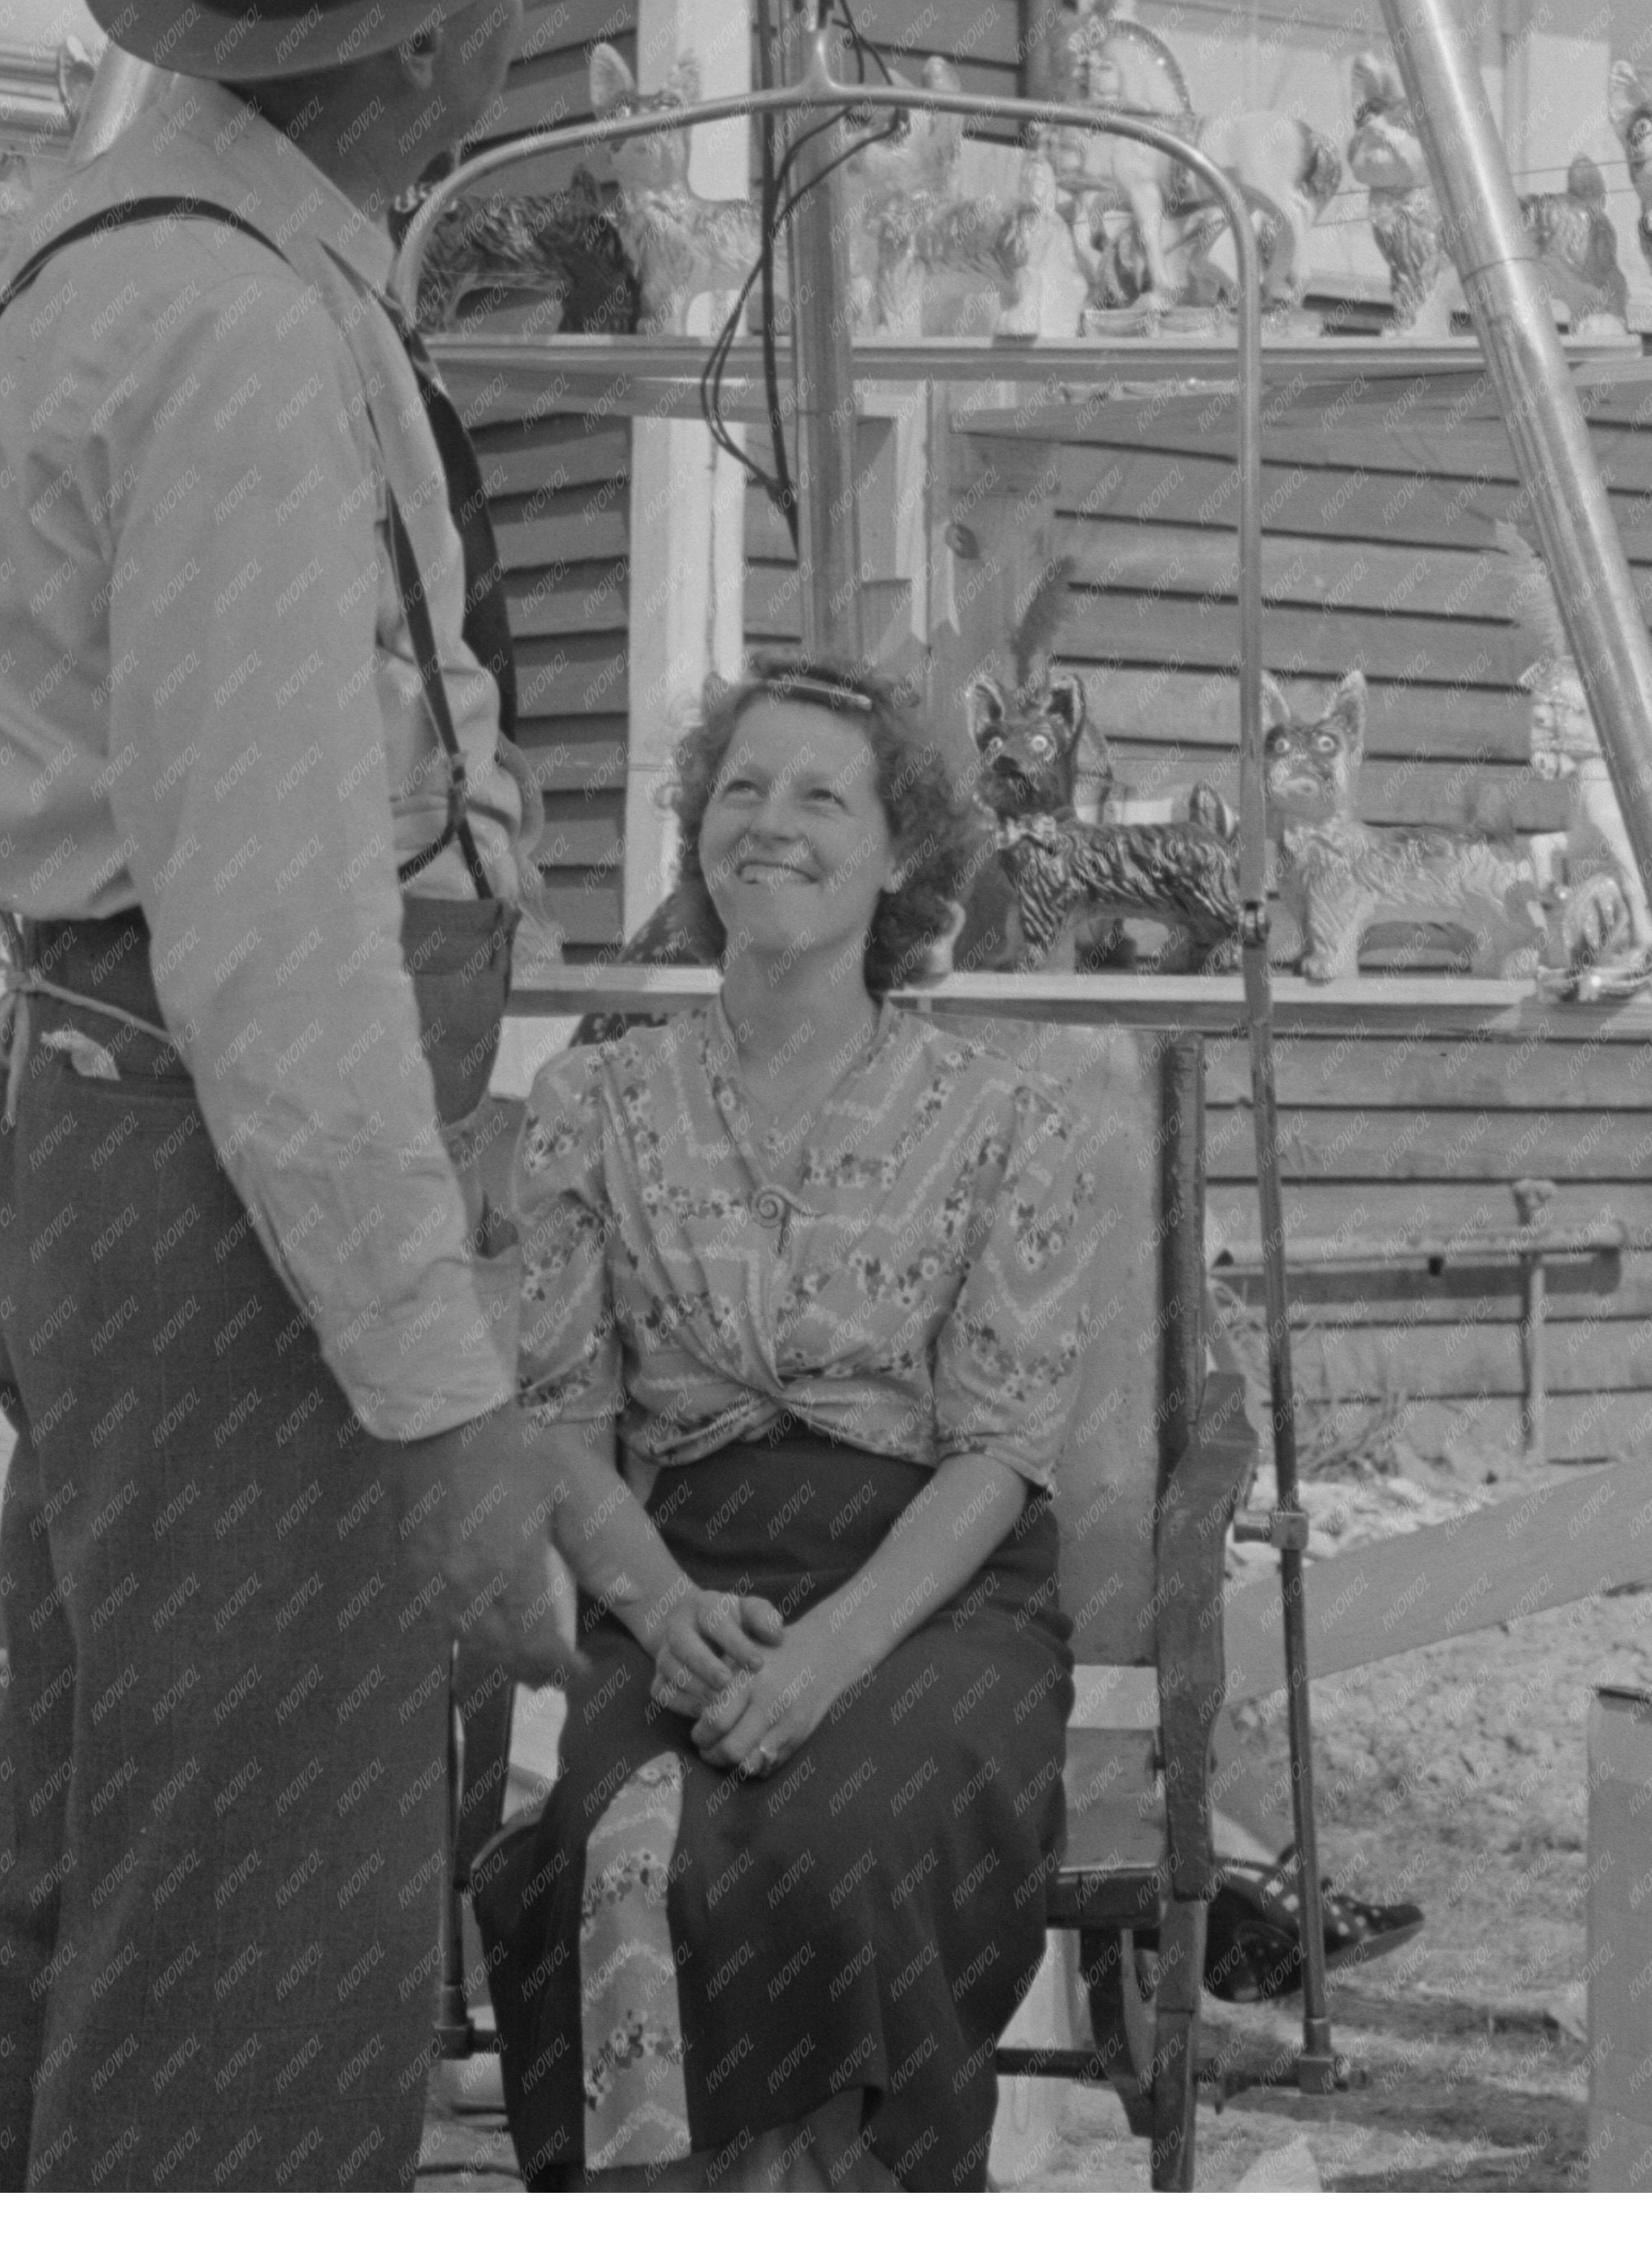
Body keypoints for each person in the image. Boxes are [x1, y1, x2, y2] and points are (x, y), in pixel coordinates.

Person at [0, 0, 621, 2190]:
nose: (533, 11)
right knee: (267, 1957)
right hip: (233, 1207)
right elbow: (280, 951)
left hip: (162, 1165)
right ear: (420, 32)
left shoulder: (196, 261)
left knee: (113, 1874)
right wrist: (444, 1409)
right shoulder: (218, 329)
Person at [474, 656, 1103, 2193]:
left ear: (900, 855)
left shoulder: (1007, 1116)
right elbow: (557, 1418)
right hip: (689, 1576)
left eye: (825, 795)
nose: (773, 822)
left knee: (850, 1833)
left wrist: (832, 1655)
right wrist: (663, 1608)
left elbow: (1001, 1451)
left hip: (934, 1590)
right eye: (741, 789)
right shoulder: (596, 1105)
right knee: (623, 1849)